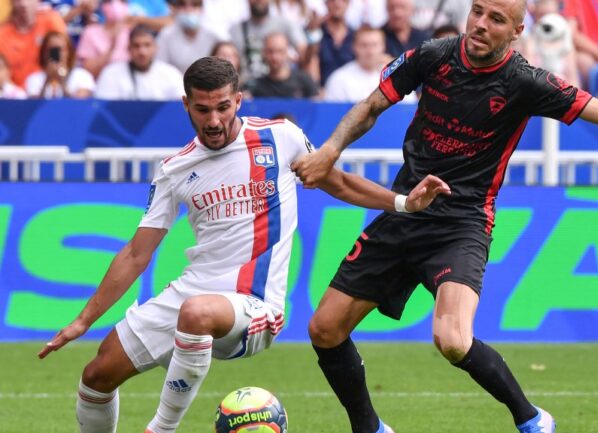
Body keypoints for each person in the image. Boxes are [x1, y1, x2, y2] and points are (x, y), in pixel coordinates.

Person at [290, 0, 598, 432]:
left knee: (452, 340)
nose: (481, 24)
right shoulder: (432, 56)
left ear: (516, 31)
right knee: (324, 329)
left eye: (496, 19)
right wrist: (330, 149)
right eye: (477, 12)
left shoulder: (526, 81)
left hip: (462, 223)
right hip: (406, 209)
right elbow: (371, 105)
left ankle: (530, 418)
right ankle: (369, 427)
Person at [37, 56, 450, 433]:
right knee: (96, 377)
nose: (214, 120)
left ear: (238, 100)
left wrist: (402, 203)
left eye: (223, 107)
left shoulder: (281, 137)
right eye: (202, 109)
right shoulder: (174, 169)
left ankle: (161, 428)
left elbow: (336, 182)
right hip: (193, 291)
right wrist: (84, 320)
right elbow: (135, 253)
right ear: (186, 105)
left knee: (195, 314)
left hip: (254, 303)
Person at [323, 25, 416, 103]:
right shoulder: (339, 79)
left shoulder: (398, 76)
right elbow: (333, 115)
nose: (370, 51)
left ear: (383, 46)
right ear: (354, 47)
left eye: (374, 45)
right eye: (364, 45)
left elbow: (408, 110)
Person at [94, 25, 184, 100]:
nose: (142, 52)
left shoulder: (171, 74)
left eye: (147, 45)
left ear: (155, 48)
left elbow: (181, 108)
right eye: (136, 46)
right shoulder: (111, 73)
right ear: (128, 48)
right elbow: (103, 109)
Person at [0, 0, 66, 87]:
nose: (24, 4)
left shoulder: (50, 22)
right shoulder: (3, 33)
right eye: (18, 0)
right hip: (13, 94)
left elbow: (58, 61)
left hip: (46, 89)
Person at [246, 31, 319, 99]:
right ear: (264, 53)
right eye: (270, 51)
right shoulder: (257, 86)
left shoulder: (304, 80)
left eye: (280, 51)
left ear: (287, 52)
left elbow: (316, 105)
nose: (274, 57)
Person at [25, 30, 95, 98]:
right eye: (52, 49)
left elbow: (78, 105)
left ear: (69, 52)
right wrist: (47, 81)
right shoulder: (34, 79)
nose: (57, 53)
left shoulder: (82, 76)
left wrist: (62, 81)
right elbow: (34, 106)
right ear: (44, 53)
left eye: (60, 49)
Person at [156, 0, 220, 73]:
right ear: (175, 9)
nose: (188, 9)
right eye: (182, 4)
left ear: (203, 9)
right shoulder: (166, 34)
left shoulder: (215, 34)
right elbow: (160, 66)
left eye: (195, 4)